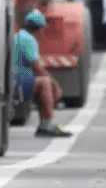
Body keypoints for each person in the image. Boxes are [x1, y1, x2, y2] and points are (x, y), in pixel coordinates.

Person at [12, 10, 73, 138]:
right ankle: (47, 124)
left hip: (16, 79)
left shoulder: (19, 36)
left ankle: (44, 124)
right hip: (18, 81)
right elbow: (37, 67)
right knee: (44, 83)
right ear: (38, 30)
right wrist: (54, 84)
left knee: (41, 82)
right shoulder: (29, 40)